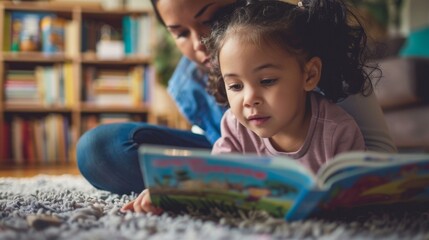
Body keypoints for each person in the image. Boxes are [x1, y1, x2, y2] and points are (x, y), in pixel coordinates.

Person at [77, 0, 396, 197]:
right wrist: (177, 190)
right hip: (239, 154)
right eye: (180, 32)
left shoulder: (309, 47)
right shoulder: (191, 82)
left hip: (312, 160)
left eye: (209, 19)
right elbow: (217, 149)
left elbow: (376, 162)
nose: (200, 44)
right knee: (101, 150)